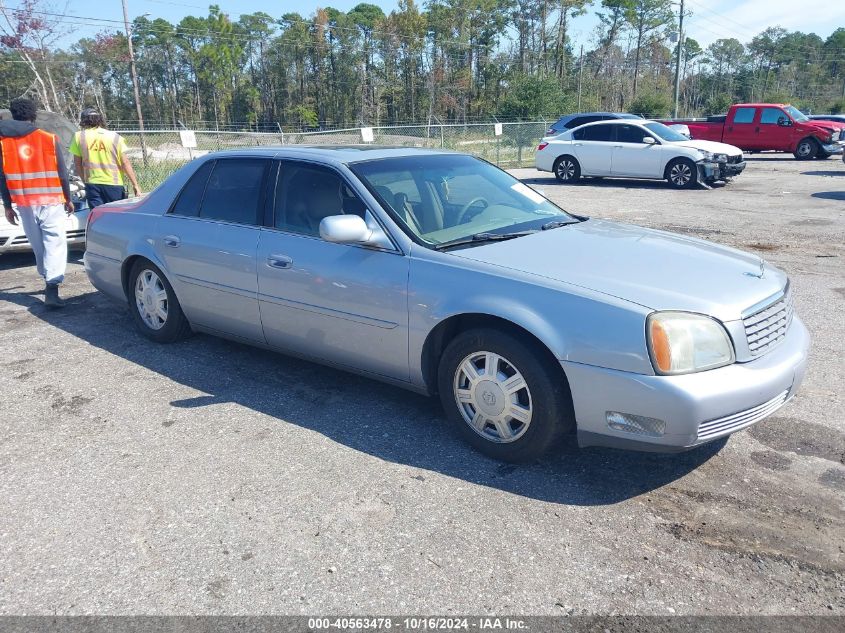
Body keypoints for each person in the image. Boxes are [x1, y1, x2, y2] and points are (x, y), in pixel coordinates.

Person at [0, 97, 74, 308]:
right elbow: (62, 174)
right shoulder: (48, 139)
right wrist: (67, 199)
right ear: (33, 115)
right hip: (50, 199)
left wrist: (7, 205)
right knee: (55, 242)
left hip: (24, 202)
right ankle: (52, 286)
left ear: (13, 115)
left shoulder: (4, 143)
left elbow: (2, 176)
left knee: (38, 244)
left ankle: (47, 277)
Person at [69, 107, 141, 208]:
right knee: (115, 216)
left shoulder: (79, 136)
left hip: (92, 184)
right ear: (99, 120)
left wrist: (85, 181)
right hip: (114, 184)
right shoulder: (115, 137)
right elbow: (125, 163)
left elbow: (77, 164)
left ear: (84, 121)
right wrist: (135, 185)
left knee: (97, 217)